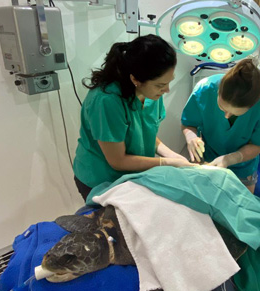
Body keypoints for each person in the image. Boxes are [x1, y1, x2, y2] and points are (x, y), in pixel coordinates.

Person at [73, 34, 194, 200]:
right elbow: (118, 161)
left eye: (169, 82)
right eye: (160, 85)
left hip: (133, 176)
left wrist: (171, 155)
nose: (167, 90)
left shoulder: (151, 94)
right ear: (135, 79)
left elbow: (146, 132)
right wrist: (165, 163)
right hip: (101, 180)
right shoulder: (107, 101)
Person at [181, 59, 260, 193]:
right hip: (207, 160)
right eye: (222, 108)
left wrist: (231, 158)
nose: (226, 116)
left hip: (243, 167)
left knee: (241, 208)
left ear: (253, 105)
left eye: (235, 114)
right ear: (218, 91)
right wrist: (190, 136)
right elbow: (189, 123)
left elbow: (258, 143)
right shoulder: (205, 89)